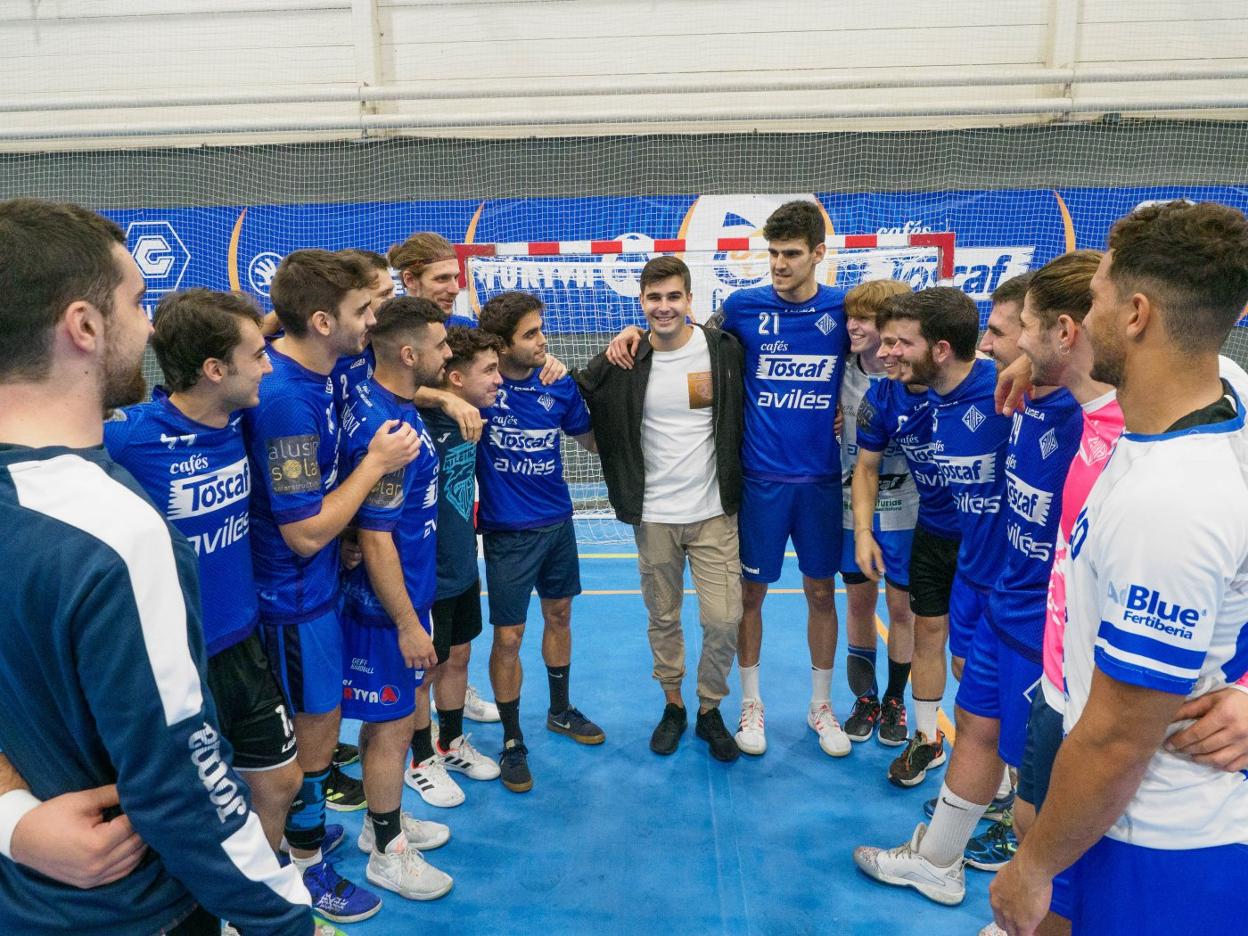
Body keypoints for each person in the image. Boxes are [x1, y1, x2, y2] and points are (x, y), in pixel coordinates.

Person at [0, 198, 313, 933]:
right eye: (138, 302)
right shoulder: (116, 531)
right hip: (130, 910)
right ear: (83, 326)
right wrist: (281, 917)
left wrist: (12, 820)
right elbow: (184, 785)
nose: (148, 327)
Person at [992, 202, 1248, 936]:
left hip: (1159, 840)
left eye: (1097, 297)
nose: (1083, 316)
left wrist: (1033, 867)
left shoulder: (1168, 504)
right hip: (1135, 823)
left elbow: (1116, 739)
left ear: (1136, 315)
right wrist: (1027, 355)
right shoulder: (1222, 386)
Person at [853, 254, 1091, 908]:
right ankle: (938, 861)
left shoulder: (1076, 410)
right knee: (974, 722)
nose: (993, 345)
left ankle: (1035, 907)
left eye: (1007, 332)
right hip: (985, 589)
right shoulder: (991, 397)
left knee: (1041, 785)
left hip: (1041, 616)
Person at [609, 200, 851, 758]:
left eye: (792, 254)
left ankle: (821, 705)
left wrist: (848, 406)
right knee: (746, 598)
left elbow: (880, 358)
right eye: (773, 253)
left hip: (819, 481)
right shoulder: (742, 309)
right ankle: (747, 704)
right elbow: (683, 335)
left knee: (819, 593)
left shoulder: (843, 310)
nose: (780, 264)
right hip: (757, 483)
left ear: (819, 253)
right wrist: (633, 329)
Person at [243, 248, 422, 923]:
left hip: (313, 592)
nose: (373, 319)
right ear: (322, 321)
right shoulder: (287, 399)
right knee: (312, 738)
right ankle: (305, 868)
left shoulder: (323, 366)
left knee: (319, 733)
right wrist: (375, 462)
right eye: (361, 310)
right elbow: (306, 533)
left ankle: (303, 838)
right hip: (290, 597)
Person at [103, 288, 307, 855]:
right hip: (175, 658)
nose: (269, 365)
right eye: (256, 356)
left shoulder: (244, 420)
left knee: (280, 781)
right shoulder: (128, 436)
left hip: (244, 641)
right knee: (188, 807)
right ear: (215, 369)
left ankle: (261, 906)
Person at [576, 256, 745, 761]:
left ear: (690, 300)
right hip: (653, 515)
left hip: (714, 510)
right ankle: (673, 705)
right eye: (654, 298)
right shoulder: (623, 359)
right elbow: (577, 398)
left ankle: (709, 707)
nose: (664, 306)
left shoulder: (724, 350)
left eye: (673, 296)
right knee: (663, 616)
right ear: (641, 302)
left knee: (724, 619)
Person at [337, 296, 454, 901]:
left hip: (408, 590)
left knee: (395, 719)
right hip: (387, 605)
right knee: (390, 725)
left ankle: (377, 823)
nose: (449, 352)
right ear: (410, 354)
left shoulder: (382, 396)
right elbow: (378, 538)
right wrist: (408, 622)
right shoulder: (393, 430)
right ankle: (388, 852)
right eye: (439, 344)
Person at [477, 290, 600, 792]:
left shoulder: (558, 385)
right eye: (530, 334)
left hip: (557, 524)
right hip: (507, 534)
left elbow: (591, 440)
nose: (542, 341)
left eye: (541, 331)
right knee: (507, 638)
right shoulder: (480, 389)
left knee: (561, 616)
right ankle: (511, 740)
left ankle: (560, 709)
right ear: (501, 346)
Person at [853, 295, 964, 786]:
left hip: (991, 541)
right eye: (887, 340)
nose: (888, 352)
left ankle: (1006, 773)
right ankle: (927, 740)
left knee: (975, 658)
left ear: (938, 349)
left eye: (900, 343)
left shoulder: (992, 387)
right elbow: (866, 468)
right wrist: (862, 532)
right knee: (930, 637)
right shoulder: (881, 398)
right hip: (933, 533)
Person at [406, 327, 506, 804]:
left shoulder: (473, 420)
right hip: (425, 575)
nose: (499, 379)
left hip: (463, 563)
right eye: (489, 370)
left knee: (458, 657)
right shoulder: (417, 425)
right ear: (455, 379)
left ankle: (449, 741)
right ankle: (420, 759)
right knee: (423, 672)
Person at [837, 280, 917, 747]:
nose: (853, 325)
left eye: (864, 319)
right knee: (859, 603)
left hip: (906, 510)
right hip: (850, 507)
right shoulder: (839, 372)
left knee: (901, 608)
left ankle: (895, 700)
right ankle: (864, 697)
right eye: (851, 316)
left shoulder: (911, 376)